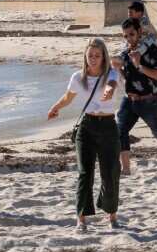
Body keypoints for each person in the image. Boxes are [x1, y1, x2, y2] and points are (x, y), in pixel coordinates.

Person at [47, 38, 121, 232]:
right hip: (86, 128)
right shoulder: (78, 77)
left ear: (104, 56)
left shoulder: (111, 73)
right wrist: (55, 107)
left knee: (110, 173)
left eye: (97, 56)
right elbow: (68, 97)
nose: (93, 59)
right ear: (85, 57)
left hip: (108, 127)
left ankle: (111, 216)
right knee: (84, 174)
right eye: (90, 56)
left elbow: (111, 85)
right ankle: (81, 219)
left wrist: (108, 91)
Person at [113, 17, 157, 175]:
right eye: (125, 36)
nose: (129, 39)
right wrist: (118, 68)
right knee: (120, 131)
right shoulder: (126, 52)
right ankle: (126, 168)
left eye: (132, 34)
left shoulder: (153, 51)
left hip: (149, 101)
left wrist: (139, 66)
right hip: (129, 100)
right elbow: (125, 76)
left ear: (140, 32)